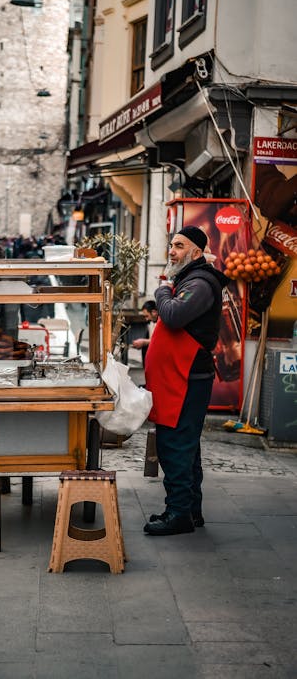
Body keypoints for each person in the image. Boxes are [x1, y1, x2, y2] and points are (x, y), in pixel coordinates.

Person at [143, 226, 228, 536]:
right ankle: (190, 511)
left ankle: (178, 513)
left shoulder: (201, 283)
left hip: (186, 379)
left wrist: (162, 290)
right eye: (171, 245)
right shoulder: (191, 279)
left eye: (179, 245)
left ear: (196, 253)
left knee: (176, 446)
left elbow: (174, 316)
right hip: (178, 378)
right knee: (186, 448)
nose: (172, 250)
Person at [132, 300, 158, 365]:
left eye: (147, 316)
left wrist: (144, 342)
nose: (146, 319)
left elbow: (161, 340)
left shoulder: (163, 322)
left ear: (154, 312)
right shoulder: (152, 323)